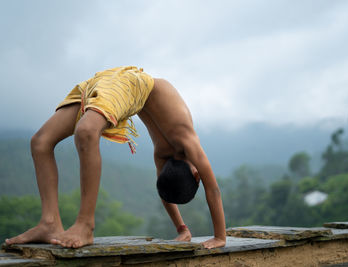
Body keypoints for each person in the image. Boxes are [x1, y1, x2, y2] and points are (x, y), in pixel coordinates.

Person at [5, 66, 226, 249]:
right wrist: (220, 237)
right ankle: (85, 224)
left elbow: (163, 191)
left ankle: (49, 222)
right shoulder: (187, 140)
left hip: (110, 81)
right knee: (87, 132)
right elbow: (213, 189)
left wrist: (182, 229)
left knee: (40, 142)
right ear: (196, 174)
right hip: (133, 83)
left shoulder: (163, 155)